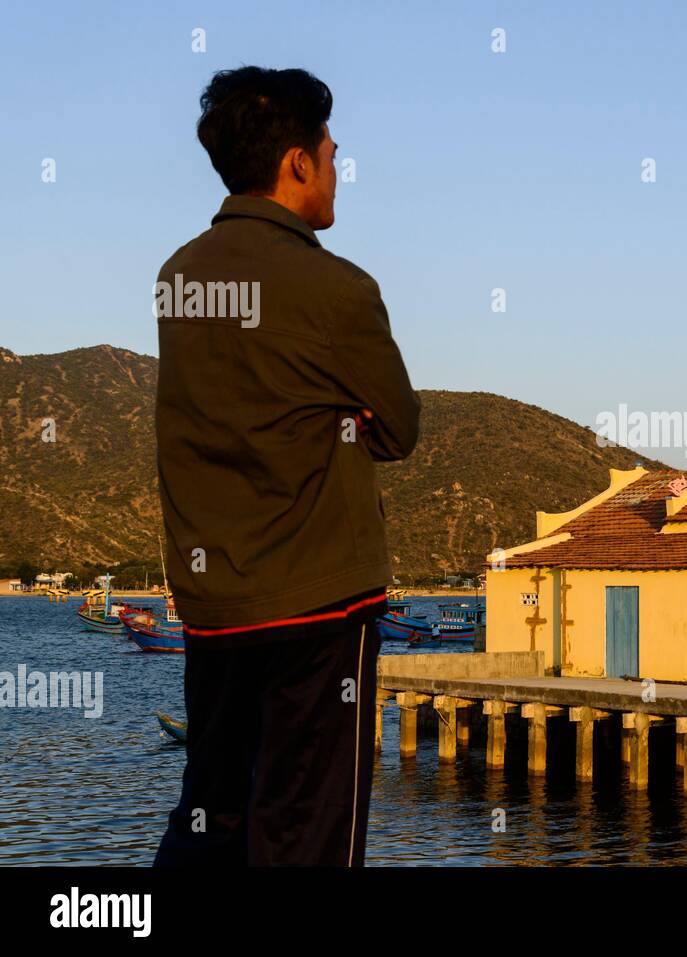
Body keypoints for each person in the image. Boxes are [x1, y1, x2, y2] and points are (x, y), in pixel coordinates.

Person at [153, 66, 421, 866]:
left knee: (213, 813)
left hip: (216, 607)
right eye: (332, 153)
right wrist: (341, 415)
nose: (338, 168)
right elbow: (398, 426)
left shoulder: (179, 277)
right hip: (319, 609)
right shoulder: (338, 288)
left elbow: (220, 418)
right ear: (297, 164)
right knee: (307, 832)